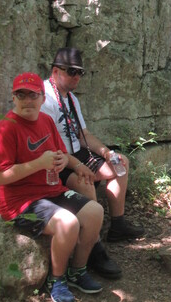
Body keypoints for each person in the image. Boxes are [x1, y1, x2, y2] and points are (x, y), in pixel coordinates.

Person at [0, 72, 105, 302]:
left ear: (43, 99)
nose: (27, 100)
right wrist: (38, 164)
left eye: (33, 95)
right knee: (68, 223)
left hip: (50, 191)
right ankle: (57, 280)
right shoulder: (5, 129)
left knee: (95, 212)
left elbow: (61, 153)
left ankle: (77, 271)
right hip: (20, 202)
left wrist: (70, 163)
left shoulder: (46, 121)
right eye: (21, 95)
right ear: (13, 98)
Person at [41, 48, 144, 278]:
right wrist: (76, 165)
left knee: (121, 163)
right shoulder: (44, 97)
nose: (77, 77)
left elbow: (83, 135)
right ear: (55, 71)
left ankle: (117, 224)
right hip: (59, 162)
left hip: (78, 153)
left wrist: (106, 152)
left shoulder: (72, 99)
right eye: (72, 72)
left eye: (80, 73)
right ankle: (94, 246)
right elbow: (47, 145)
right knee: (86, 180)